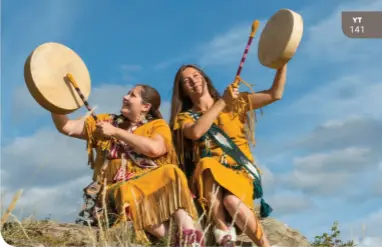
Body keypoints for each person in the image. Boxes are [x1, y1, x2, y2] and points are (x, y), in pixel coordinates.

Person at [51, 84, 204, 246]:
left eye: (132, 95)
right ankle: (173, 241)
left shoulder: (156, 126)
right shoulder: (106, 122)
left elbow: (155, 148)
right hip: (116, 189)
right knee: (127, 193)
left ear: (146, 106)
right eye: (127, 93)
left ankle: (190, 236)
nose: (125, 97)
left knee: (171, 173)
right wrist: (54, 102)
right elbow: (67, 126)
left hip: (150, 184)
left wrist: (116, 133)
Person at [169, 64, 287, 247]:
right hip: (207, 177)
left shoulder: (235, 101)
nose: (193, 81)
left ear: (205, 78)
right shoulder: (185, 117)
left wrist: (283, 62)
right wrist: (222, 102)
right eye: (187, 80)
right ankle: (222, 230)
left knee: (232, 201)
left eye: (196, 75)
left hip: (239, 171)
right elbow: (196, 132)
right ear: (183, 90)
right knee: (207, 163)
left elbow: (275, 94)